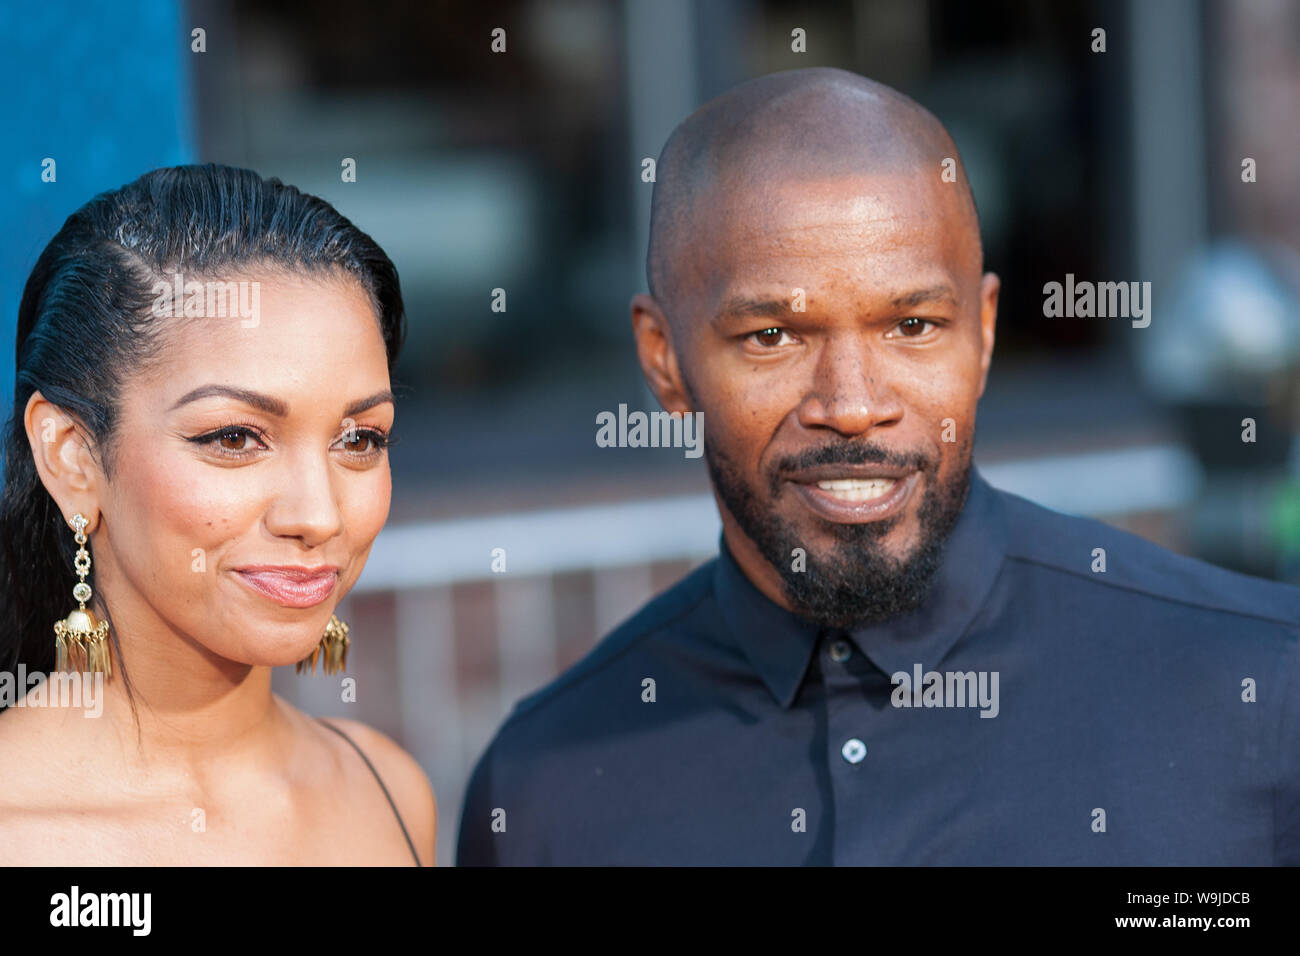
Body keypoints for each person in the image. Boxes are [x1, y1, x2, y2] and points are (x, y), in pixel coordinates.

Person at [457, 68, 1300, 865]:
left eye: (914, 325)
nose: (854, 406)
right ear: (665, 363)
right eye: (772, 337)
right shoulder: (546, 792)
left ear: (985, 334)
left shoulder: (1262, 693)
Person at [0, 165, 435, 865]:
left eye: (360, 439)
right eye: (234, 438)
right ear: (72, 456)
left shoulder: (388, 791)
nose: (318, 515)